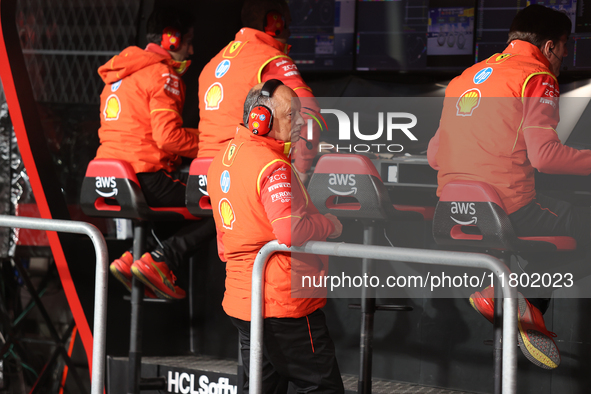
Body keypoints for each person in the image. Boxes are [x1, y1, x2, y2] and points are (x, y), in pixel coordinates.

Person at [428, 4, 591, 370]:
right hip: (507, 210)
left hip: (452, 213)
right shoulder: (537, 76)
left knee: (553, 236)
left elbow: (435, 157)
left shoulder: (464, 78)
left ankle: (518, 300)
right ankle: (518, 296)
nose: (565, 55)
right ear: (550, 47)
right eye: (565, 46)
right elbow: (546, 157)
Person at [208, 80, 344, 393]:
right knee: (324, 388)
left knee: (259, 389)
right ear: (260, 119)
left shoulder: (221, 160)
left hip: (244, 302)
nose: (300, 122)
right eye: (290, 115)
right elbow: (290, 230)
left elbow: (223, 240)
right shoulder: (271, 165)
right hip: (284, 304)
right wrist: (329, 225)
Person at [95, 7, 215, 300]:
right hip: (143, 178)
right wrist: (213, 142)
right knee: (224, 205)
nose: (191, 49)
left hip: (105, 179)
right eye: (187, 41)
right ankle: (164, 259)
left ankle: (132, 260)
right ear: (171, 40)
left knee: (173, 210)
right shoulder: (163, 75)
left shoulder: (119, 76)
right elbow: (169, 137)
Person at [198, 0, 320, 183]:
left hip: (205, 172)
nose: (290, 26)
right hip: (243, 170)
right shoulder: (271, 59)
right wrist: (302, 168)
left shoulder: (211, 64)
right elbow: (309, 113)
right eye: (288, 20)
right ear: (274, 22)